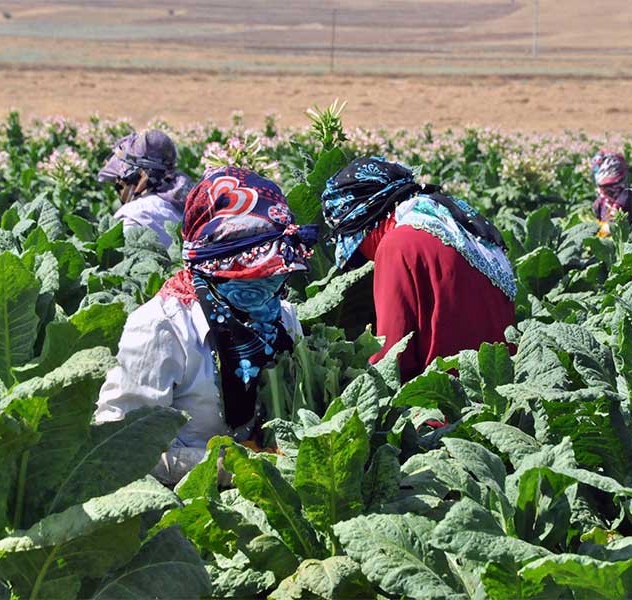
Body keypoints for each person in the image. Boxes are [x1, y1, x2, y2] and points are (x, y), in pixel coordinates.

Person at [95, 166, 317, 484]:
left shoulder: (283, 318)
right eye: (254, 272)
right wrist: (233, 467)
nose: (271, 284)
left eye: (277, 271)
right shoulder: (162, 328)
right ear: (211, 267)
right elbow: (117, 450)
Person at [322, 157, 516, 382]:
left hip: (445, 406)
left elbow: (393, 357)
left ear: (365, 220)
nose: (365, 257)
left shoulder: (397, 245)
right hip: (502, 396)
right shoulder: (461, 223)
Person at [98, 129, 193, 249]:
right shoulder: (185, 203)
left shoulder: (131, 216)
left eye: (117, 179)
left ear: (133, 176)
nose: (117, 187)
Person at [591, 151, 632, 247]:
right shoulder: (599, 203)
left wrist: (617, 231)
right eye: (602, 187)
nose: (605, 192)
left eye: (610, 186)